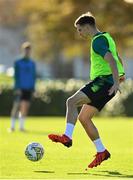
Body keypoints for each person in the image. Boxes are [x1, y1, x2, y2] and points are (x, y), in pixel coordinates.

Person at [48, 12, 125, 168]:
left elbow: (111, 59)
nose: (79, 33)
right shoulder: (107, 37)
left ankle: (67, 137)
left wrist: (116, 82)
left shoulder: (97, 41)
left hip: (103, 82)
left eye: (80, 30)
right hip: (107, 83)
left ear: (88, 26)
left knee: (71, 101)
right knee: (84, 118)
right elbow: (117, 57)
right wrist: (121, 76)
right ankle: (101, 151)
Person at [10, 42, 36, 132]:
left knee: (25, 107)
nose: (27, 52)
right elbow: (16, 76)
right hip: (20, 88)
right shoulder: (18, 62)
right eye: (26, 50)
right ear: (23, 50)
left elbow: (33, 76)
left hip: (29, 88)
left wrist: (33, 88)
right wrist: (17, 87)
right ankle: (12, 126)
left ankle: (21, 126)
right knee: (16, 106)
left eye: (29, 50)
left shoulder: (32, 63)